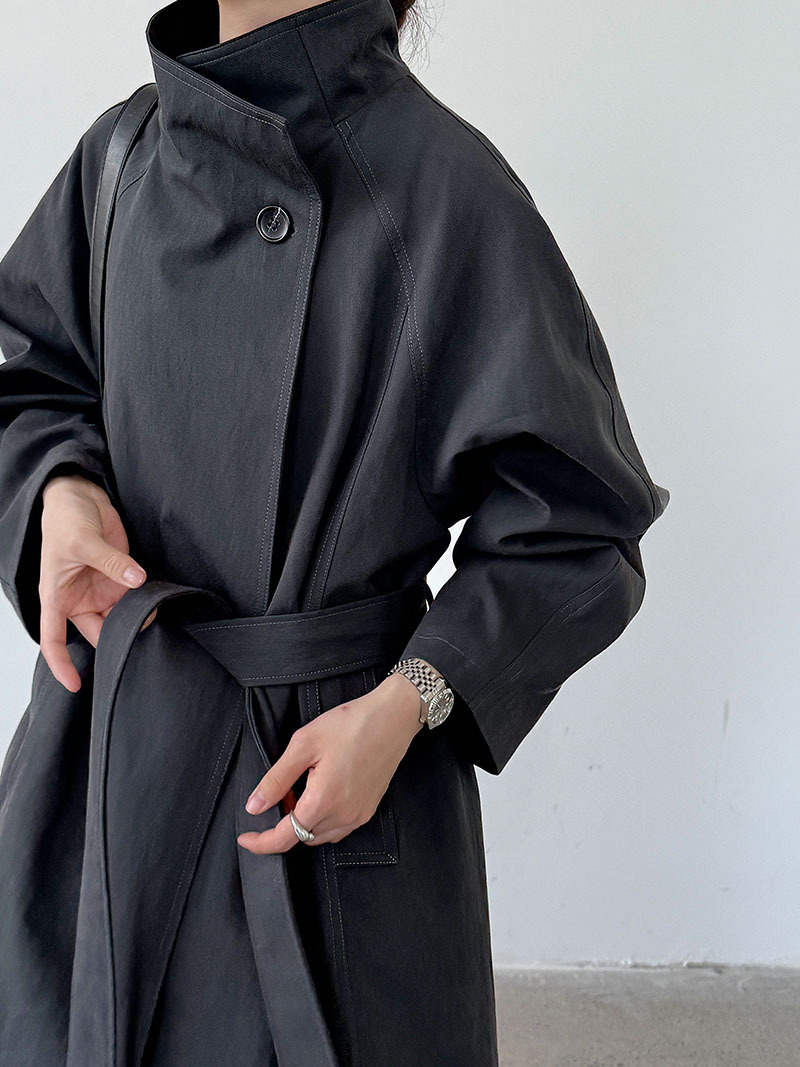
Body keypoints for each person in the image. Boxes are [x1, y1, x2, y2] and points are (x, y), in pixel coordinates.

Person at [0, 0, 670, 1063]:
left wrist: (409, 704)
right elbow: (30, 370)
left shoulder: (445, 188)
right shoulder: (120, 156)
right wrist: (59, 488)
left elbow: (581, 519)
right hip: (108, 771)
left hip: (326, 787)